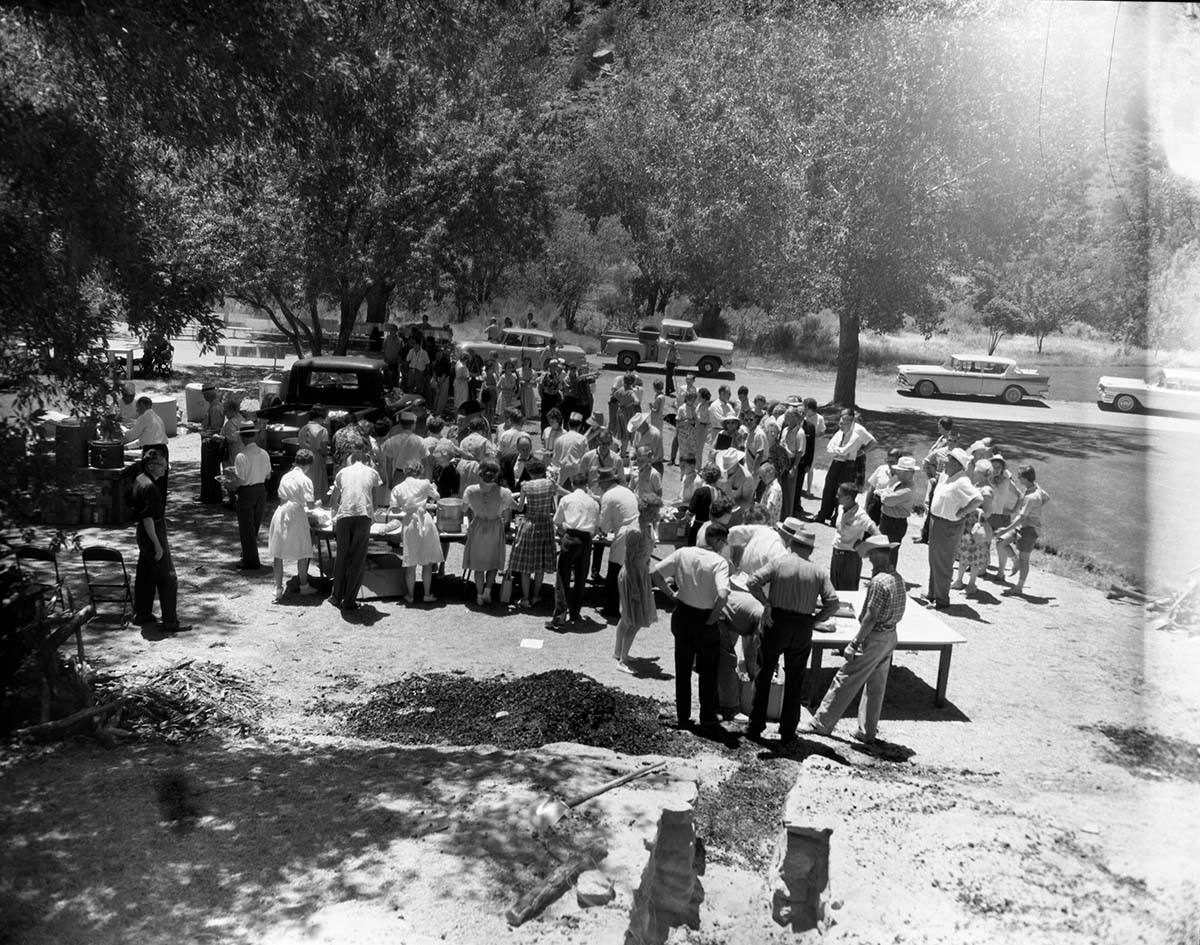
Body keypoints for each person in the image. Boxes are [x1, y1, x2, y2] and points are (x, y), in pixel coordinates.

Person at [743, 518, 840, 744]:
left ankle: (755, 726)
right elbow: (833, 602)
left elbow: (752, 582)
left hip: (777, 621)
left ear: (793, 545)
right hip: (803, 625)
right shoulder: (819, 571)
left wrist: (766, 603)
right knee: (795, 679)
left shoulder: (779, 563)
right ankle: (788, 731)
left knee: (764, 673)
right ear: (811, 550)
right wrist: (816, 620)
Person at [804, 534, 904, 744]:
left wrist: (855, 642)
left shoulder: (878, 582)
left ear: (876, 555)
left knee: (846, 678)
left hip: (875, 637)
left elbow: (871, 617)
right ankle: (867, 731)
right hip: (890, 636)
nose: (868, 561)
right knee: (876, 684)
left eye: (869, 556)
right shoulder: (897, 578)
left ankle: (821, 723)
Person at [650, 524, 732, 733]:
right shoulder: (719, 562)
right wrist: (713, 617)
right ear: (719, 541)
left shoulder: (683, 553)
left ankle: (683, 716)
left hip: (683, 614)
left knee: (683, 669)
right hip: (705, 618)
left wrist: (671, 595)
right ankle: (707, 717)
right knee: (708, 671)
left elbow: (656, 574)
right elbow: (722, 595)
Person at [130, 448, 188, 632]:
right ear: (151, 466)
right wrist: (157, 544)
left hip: (144, 530)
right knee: (167, 576)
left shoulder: (140, 480)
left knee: (145, 573)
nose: (165, 469)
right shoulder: (149, 487)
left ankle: (142, 613)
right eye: (162, 466)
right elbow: (147, 518)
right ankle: (170, 621)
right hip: (151, 532)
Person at [925, 447, 982, 609]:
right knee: (934, 559)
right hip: (937, 521)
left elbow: (977, 499)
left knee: (942, 561)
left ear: (957, 464)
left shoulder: (962, 481)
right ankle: (932, 594)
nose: (944, 462)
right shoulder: (947, 475)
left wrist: (963, 511)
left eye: (948, 459)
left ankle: (941, 600)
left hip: (948, 525)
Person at [328, 448, 382, 612]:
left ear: (351, 461)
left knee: (342, 555)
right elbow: (376, 502)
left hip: (344, 515)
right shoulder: (372, 473)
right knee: (357, 559)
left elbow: (333, 501)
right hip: (362, 515)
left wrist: (334, 514)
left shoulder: (342, 472)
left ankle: (336, 596)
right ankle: (349, 600)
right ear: (366, 461)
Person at [613, 494, 662, 671]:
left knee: (626, 617)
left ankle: (619, 652)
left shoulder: (647, 525)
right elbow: (629, 561)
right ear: (645, 510)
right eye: (654, 512)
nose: (656, 515)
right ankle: (623, 661)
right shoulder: (635, 531)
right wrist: (634, 587)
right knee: (634, 619)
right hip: (633, 576)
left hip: (641, 573)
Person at [548, 472, 600, 629]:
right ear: (586, 486)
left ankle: (559, 617)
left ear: (572, 484)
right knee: (581, 577)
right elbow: (597, 528)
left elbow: (557, 522)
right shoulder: (593, 503)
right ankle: (575, 611)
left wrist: (564, 533)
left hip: (570, 538)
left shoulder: (566, 499)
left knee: (563, 578)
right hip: (586, 539)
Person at [267, 448, 319, 602]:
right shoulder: (306, 480)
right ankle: (304, 585)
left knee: (278, 551)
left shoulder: (286, 476)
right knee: (302, 550)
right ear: (309, 465)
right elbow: (310, 505)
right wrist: (319, 502)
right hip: (296, 514)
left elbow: (281, 496)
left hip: (282, 512)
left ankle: (277, 588)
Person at [389, 458, 443, 604]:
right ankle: (426, 594)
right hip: (425, 519)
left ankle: (410, 595)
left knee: (411, 562)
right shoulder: (425, 483)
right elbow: (437, 498)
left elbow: (394, 508)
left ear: (406, 471)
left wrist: (406, 507)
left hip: (409, 522)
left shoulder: (398, 488)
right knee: (427, 561)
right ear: (420, 471)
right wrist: (435, 489)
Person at [462, 459, 514, 605]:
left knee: (478, 563)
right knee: (492, 561)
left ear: (480, 473)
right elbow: (511, 507)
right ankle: (487, 591)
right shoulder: (504, 492)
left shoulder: (470, 490)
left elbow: (464, 509)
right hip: (495, 526)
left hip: (477, 524)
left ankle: (479, 595)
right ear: (496, 474)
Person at [508, 458, 557, 609]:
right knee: (540, 565)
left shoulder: (526, 485)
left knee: (526, 564)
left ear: (529, 472)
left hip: (530, 523)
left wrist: (510, 500)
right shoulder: (550, 484)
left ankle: (525, 598)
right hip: (546, 524)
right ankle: (536, 595)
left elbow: (520, 506)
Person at [994, 464, 1049, 595]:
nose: (1017, 479)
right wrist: (1036, 509)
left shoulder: (1031, 497)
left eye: (1019, 476)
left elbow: (1020, 518)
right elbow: (1047, 497)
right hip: (1022, 526)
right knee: (1001, 542)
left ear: (1025, 478)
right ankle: (1015, 562)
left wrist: (1004, 529)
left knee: (1025, 559)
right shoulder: (1035, 488)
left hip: (1030, 530)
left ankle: (1019, 587)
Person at [816, 408, 874, 525]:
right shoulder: (841, 430)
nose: (841, 421)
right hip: (836, 462)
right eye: (841, 418)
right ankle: (823, 514)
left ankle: (836, 518)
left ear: (851, 419)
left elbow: (872, 442)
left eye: (845, 418)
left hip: (848, 464)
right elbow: (830, 447)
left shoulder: (858, 430)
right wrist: (839, 451)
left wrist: (860, 452)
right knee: (829, 487)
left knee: (843, 490)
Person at [596, 469, 639, 618]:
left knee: (615, 571)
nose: (599, 486)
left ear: (605, 482)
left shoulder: (608, 495)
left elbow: (604, 526)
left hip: (625, 534)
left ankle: (611, 608)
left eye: (600, 483)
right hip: (638, 531)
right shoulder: (626, 491)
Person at [231, 423, 271, 570]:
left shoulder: (241, 456)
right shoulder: (264, 454)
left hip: (247, 492)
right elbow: (268, 475)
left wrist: (230, 482)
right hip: (261, 490)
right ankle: (248, 554)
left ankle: (250, 560)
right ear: (253, 436)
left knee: (246, 527)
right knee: (254, 525)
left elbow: (241, 480)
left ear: (242, 437)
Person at [830, 482, 881, 590]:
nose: (836, 496)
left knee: (848, 593)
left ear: (848, 498)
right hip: (837, 554)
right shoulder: (840, 508)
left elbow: (874, 530)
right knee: (834, 592)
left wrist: (869, 546)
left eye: (839, 495)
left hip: (850, 559)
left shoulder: (860, 515)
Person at [917, 416, 956, 544]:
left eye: (939, 425)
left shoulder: (947, 441)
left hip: (937, 477)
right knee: (928, 503)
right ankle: (925, 532)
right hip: (933, 475)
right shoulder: (941, 438)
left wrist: (932, 475)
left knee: (931, 503)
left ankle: (928, 534)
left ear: (944, 426)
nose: (937, 426)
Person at [123, 395, 170, 500]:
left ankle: (150, 510)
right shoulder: (157, 418)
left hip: (152, 451)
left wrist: (122, 434)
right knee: (161, 482)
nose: (137, 409)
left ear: (143, 405)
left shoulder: (144, 417)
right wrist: (127, 447)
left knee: (150, 481)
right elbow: (143, 439)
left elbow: (132, 435)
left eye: (138, 406)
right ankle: (159, 511)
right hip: (163, 450)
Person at [874, 455, 919, 563]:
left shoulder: (908, 490)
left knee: (889, 552)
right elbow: (886, 491)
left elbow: (887, 499)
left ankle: (887, 576)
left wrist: (884, 493)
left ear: (910, 473)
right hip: (887, 520)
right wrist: (885, 492)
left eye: (901, 471)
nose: (897, 472)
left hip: (894, 524)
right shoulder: (900, 483)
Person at [379, 411, 429, 488]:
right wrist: (424, 479)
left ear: (401, 425)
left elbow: (388, 465)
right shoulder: (420, 441)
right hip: (415, 476)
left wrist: (390, 481)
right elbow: (425, 463)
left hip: (398, 477)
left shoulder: (392, 441)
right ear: (413, 425)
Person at [296, 406, 331, 504]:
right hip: (316, 460)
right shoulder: (323, 430)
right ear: (320, 418)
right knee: (316, 483)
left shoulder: (303, 429)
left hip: (302, 458)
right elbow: (324, 450)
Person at [686, 463, 722, 547]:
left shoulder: (700, 492)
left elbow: (690, 513)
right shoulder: (721, 493)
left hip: (699, 528)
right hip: (715, 530)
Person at [551, 412, 589, 486]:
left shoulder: (560, 439)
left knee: (560, 493)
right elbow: (586, 458)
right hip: (577, 472)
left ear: (568, 425)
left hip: (563, 471)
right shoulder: (582, 439)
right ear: (580, 426)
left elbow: (555, 460)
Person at [799, 398, 826, 500]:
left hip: (813, 445)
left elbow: (822, 432)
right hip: (802, 443)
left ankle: (809, 489)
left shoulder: (819, 418)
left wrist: (812, 435)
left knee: (810, 467)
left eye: (805, 407)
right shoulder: (803, 416)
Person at [382, 324, 403, 390]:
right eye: (390, 329)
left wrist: (396, 359)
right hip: (387, 361)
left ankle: (394, 389)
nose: (391, 331)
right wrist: (385, 357)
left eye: (392, 329)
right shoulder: (387, 338)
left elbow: (401, 352)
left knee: (394, 377)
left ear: (396, 331)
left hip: (395, 361)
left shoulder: (400, 340)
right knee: (386, 376)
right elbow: (383, 348)